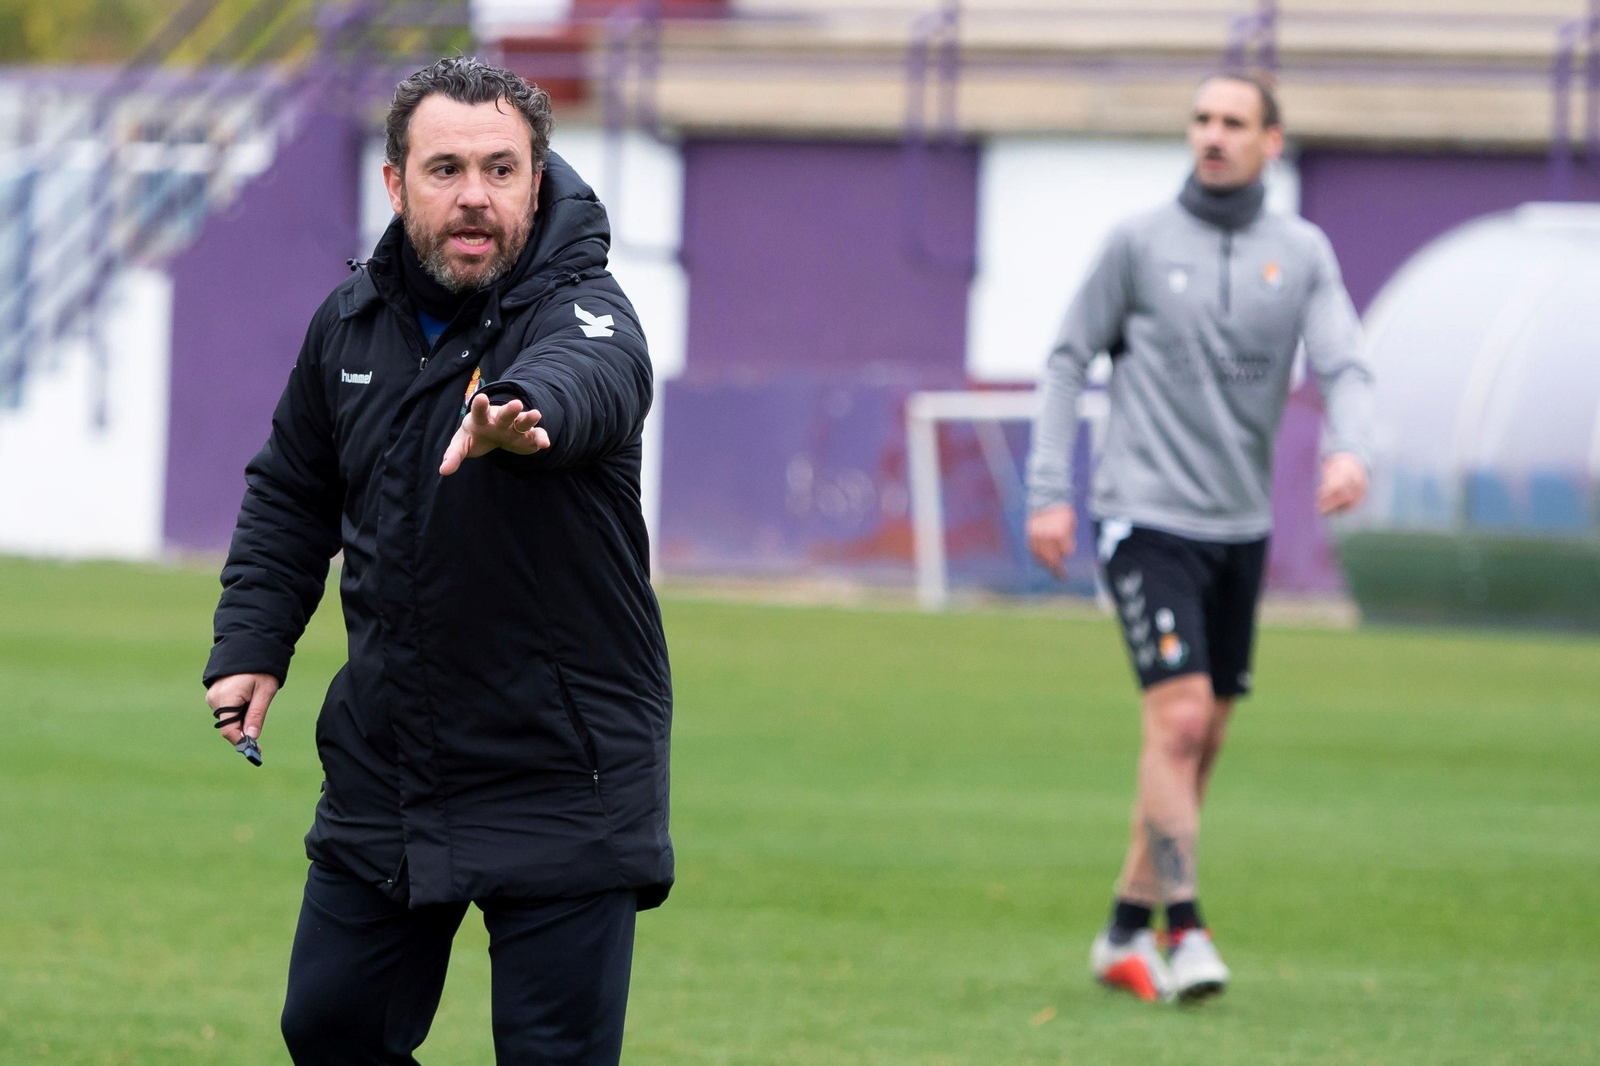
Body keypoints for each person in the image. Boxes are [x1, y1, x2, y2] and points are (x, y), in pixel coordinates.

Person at [202, 57, 672, 1064]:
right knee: (328, 1030)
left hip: (561, 762)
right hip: (393, 757)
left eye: (501, 171)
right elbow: (291, 490)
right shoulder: (348, 325)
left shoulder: (583, 308)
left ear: (535, 182)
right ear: (393, 183)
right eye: (446, 168)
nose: (474, 197)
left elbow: (596, 375)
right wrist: (252, 642)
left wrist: (526, 414)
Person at [1025, 72, 1374, 1004]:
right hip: (1146, 516)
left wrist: (1350, 449)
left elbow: (1344, 362)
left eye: (1234, 122)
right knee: (1177, 720)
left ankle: (1122, 932)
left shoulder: (1300, 252)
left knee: (1202, 738)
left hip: (1239, 526)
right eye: (1202, 119)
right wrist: (1051, 491)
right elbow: (1066, 360)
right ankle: (1188, 933)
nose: (1213, 136)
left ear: (1273, 141)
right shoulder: (1137, 244)